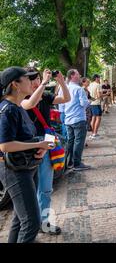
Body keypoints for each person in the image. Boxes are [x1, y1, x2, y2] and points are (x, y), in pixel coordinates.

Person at [0, 67, 53, 243]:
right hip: (15, 170)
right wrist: (39, 144)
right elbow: (5, 145)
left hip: (28, 166)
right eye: (27, 79)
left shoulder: (18, 107)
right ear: (15, 84)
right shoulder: (8, 110)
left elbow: (26, 138)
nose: (32, 82)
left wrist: (41, 146)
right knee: (32, 222)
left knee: (19, 218)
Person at [21, 68, 70, 236]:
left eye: (37, 78)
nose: (35, 82)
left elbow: (66, 98)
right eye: (32, 79)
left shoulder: (46, 96)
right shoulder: (23, 97)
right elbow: (30, 105)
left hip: (47, 141)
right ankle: (30, 223)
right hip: (29, 146)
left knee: (46, 188)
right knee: (30, 189)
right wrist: (43, 83)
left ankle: (45, 222)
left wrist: (61, 81)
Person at [64, 69, 91, 171]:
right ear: (72, 76)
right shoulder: (79, 89)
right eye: (77, 74)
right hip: (78, 118)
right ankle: (77, 163)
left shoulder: (65, 88)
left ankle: (69, 162)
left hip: (68, 119)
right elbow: (83, 103)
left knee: (70, 141)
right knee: (79, 141)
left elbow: (61, 103)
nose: (79, 75)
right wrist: (88, 101)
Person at [88, 74, 103, 140]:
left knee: (93, 118)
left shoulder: (90, 84)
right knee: (98, 118)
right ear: (96, 78)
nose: (99, 79)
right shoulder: (98, 85)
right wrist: (106, 94)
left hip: (91, 103)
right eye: (99, 78)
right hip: (96, 103)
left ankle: (92, 133)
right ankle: (95, 133)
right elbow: (99, 95)